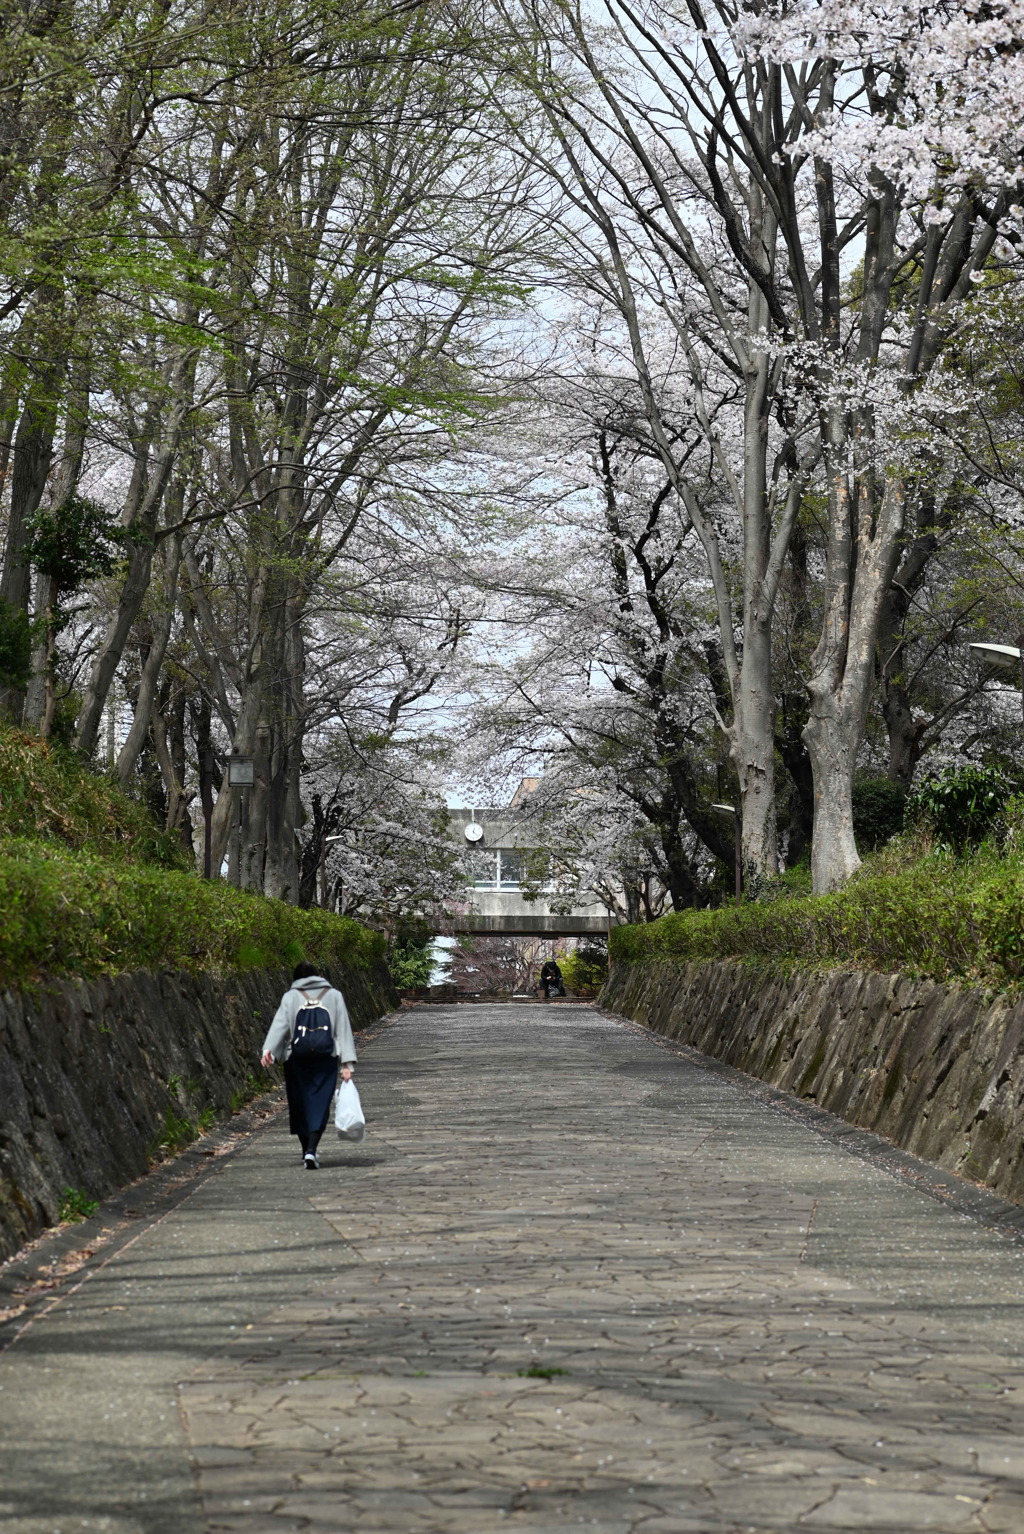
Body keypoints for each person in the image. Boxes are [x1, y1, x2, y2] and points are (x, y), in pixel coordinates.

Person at [260, 961, 356, 1169]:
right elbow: (343, 1029)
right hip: (326, 1058)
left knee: (300, 1104)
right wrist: (347, 1063)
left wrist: (269, 1051)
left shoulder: (291, 996)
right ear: (317, 975)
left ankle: (306, 1151)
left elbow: (280, 1026)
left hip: (297, 1058)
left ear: (296, 978)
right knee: (319, 1103)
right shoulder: (334, 995)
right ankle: (312, 1150)